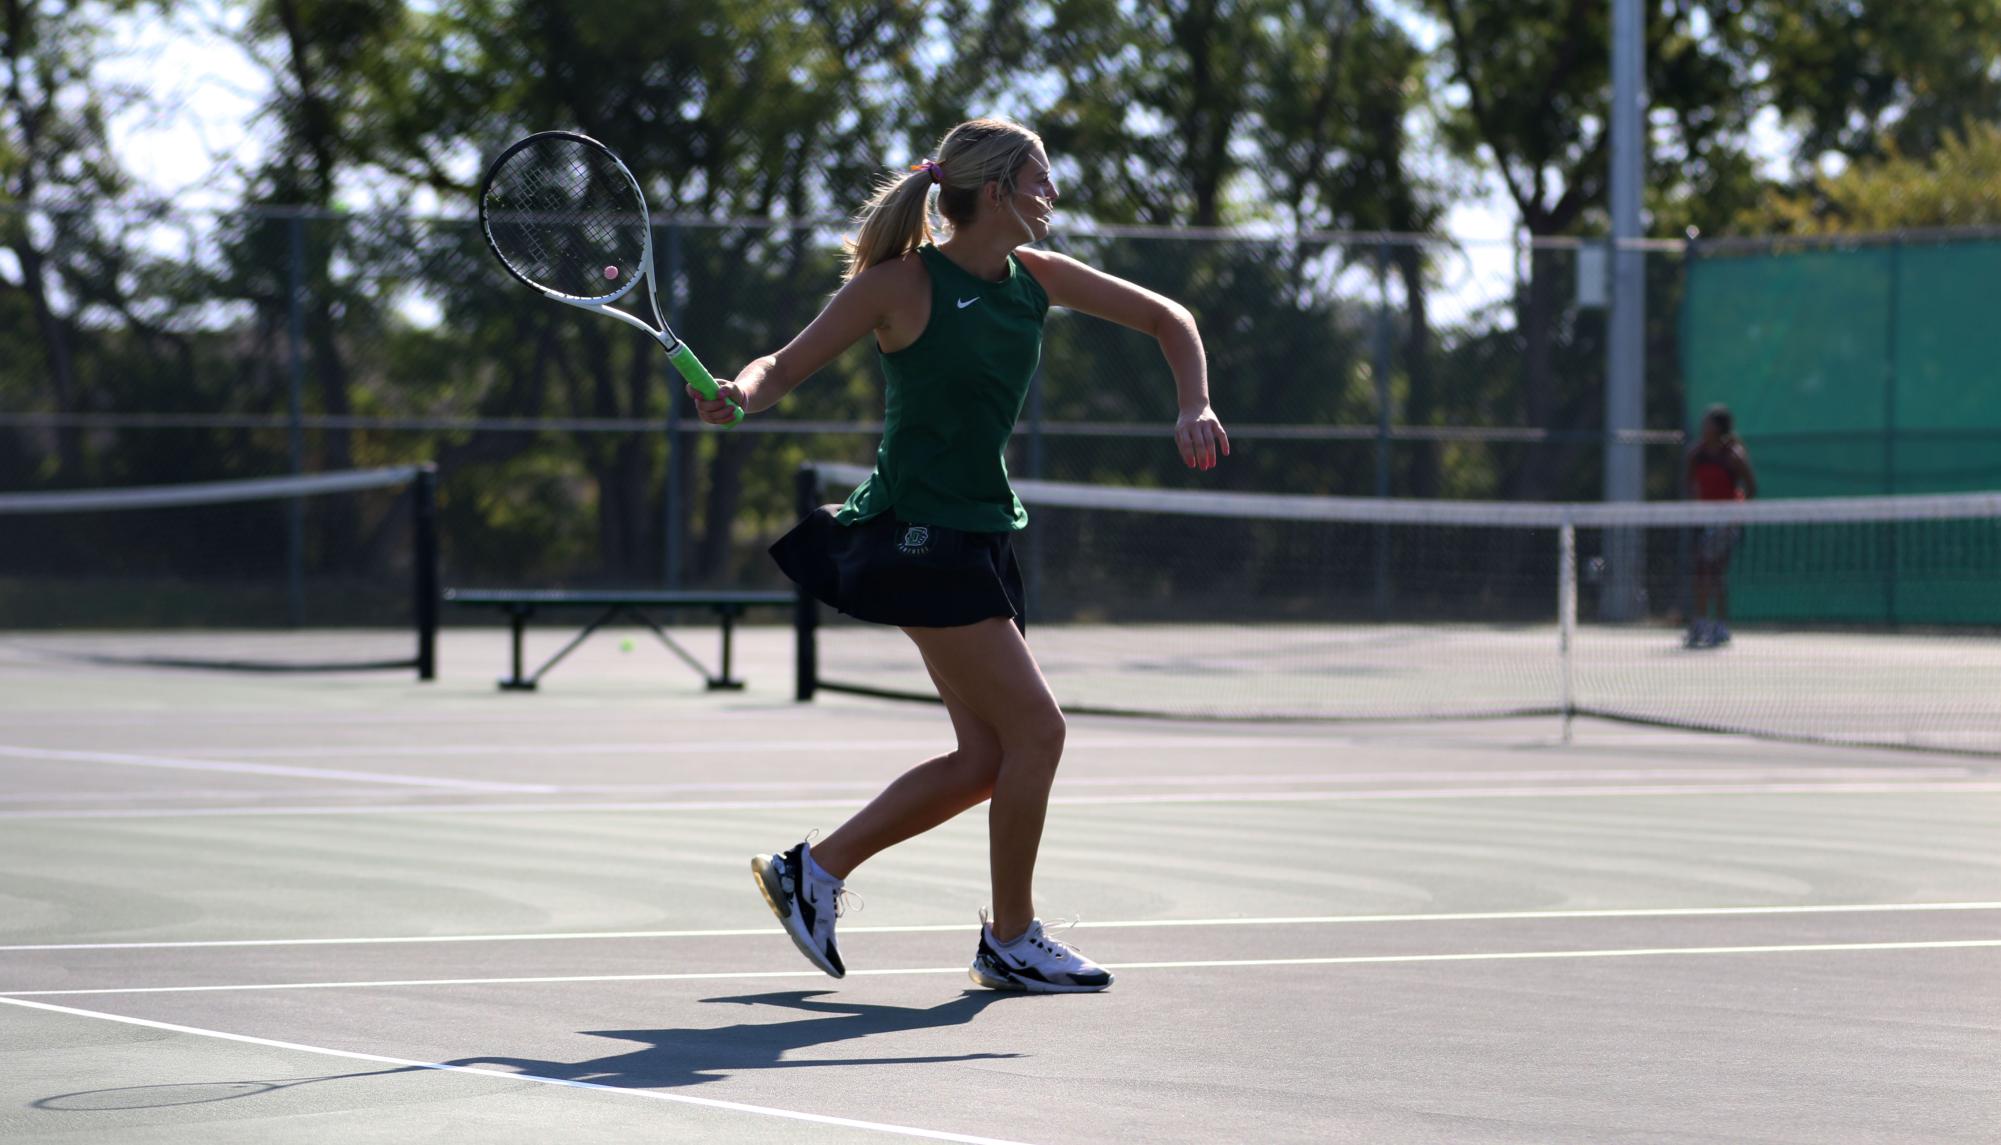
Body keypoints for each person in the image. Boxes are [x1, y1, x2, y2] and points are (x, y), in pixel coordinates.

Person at [687, 118, 1228, 993]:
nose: (1053, 195)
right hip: (916, 535)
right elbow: (780, 367)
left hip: (977, 531)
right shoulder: (899, 284)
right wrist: (737, 395)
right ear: (1000, 190)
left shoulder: (1034, 280)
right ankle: (1011, 937)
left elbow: (1170, 318)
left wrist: (1192, 402)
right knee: (1040, 731)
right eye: (1042, 180)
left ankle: (812, 871)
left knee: (987, 759)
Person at [1684, 404, 1756, 648]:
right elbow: (1690, 485)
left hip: (1727, 521)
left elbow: (1750, 486)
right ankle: (1701, 623)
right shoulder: (1697, 454)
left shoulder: (1733, 455)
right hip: (1704, 520)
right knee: (1701, 571)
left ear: (1718, 428)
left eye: (1708, 423)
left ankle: (1720, 625)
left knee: (1715, 572)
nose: (1703, 427)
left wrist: (1736, 512)